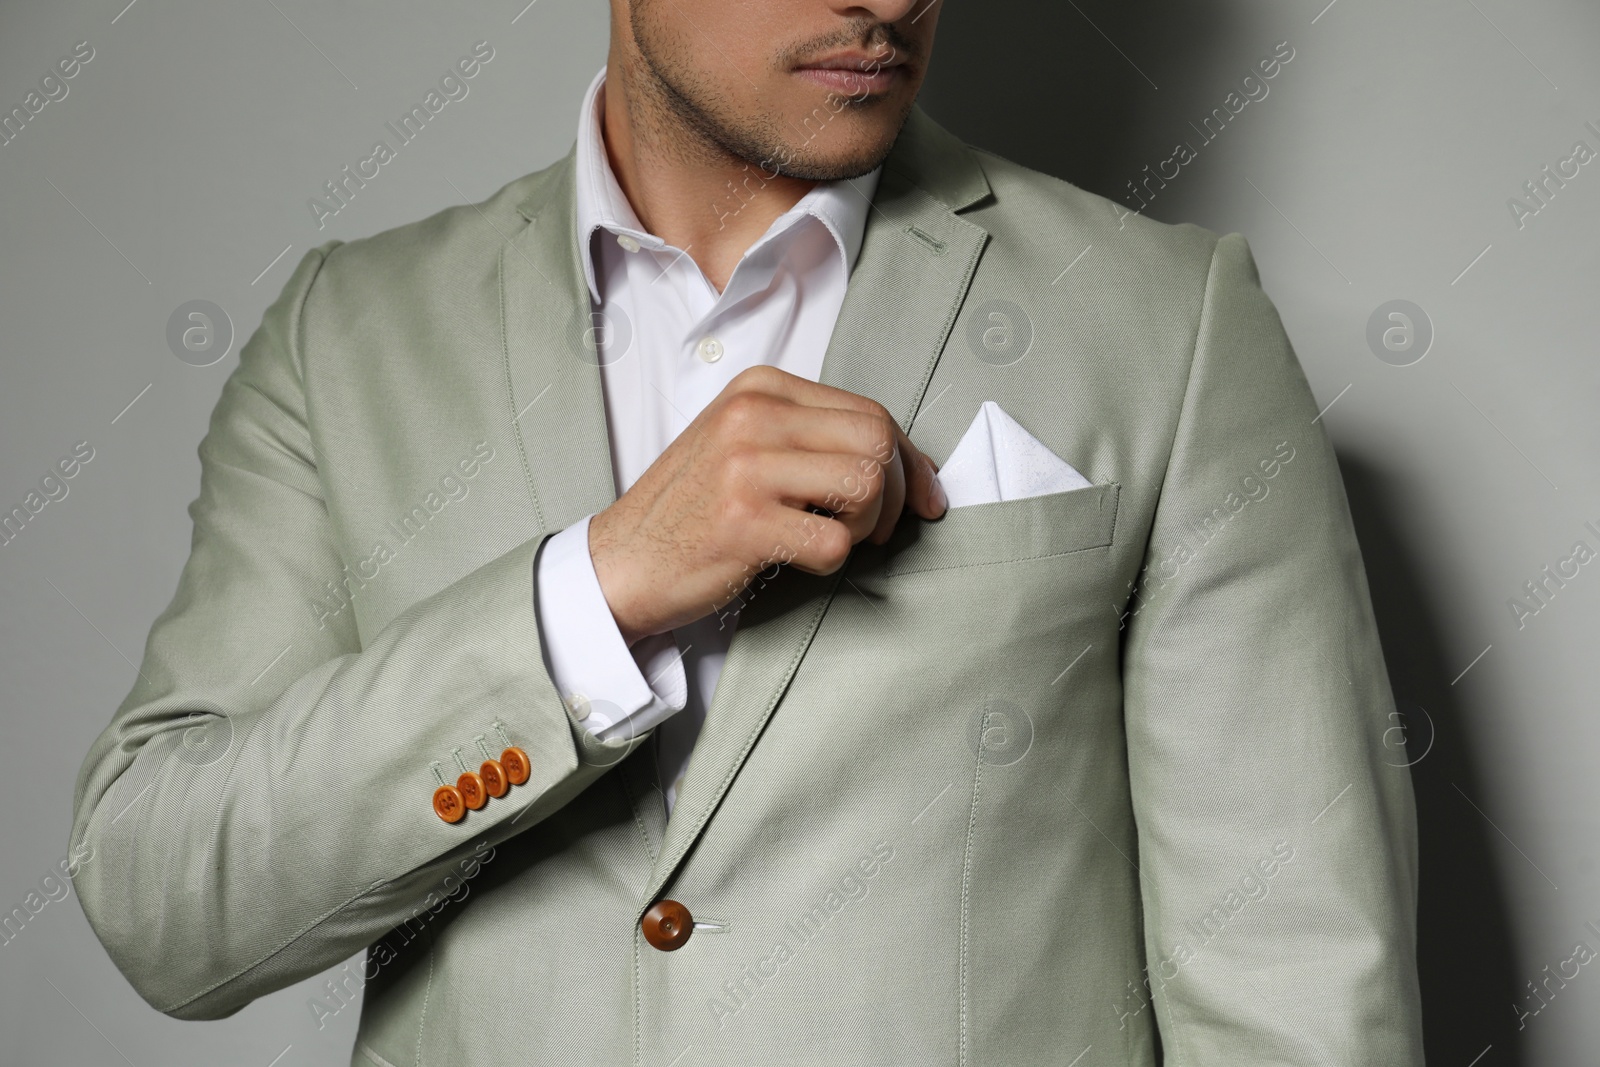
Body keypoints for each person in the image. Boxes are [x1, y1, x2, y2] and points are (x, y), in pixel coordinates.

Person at [70, 0, 1424, 1062]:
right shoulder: (343, 335)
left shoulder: (1168, 322)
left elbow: (1295, 982)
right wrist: (593, 597)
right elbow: (167, 907)